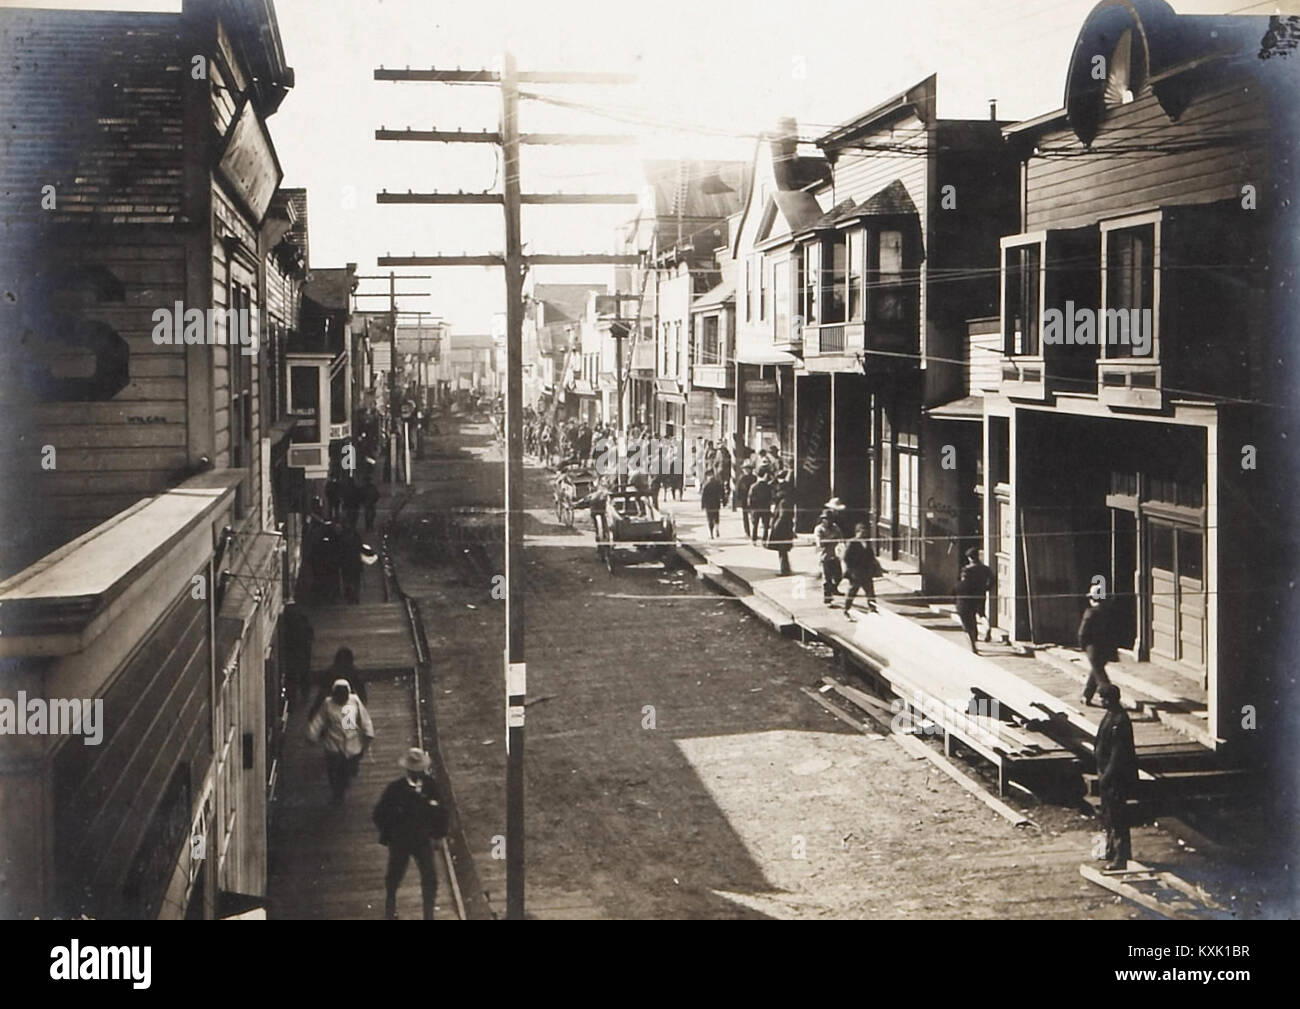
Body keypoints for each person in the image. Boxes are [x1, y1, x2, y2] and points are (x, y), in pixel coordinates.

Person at [373, 747, 450, 920]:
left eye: (420, 770)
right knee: (394, 876)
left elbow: (442, 812)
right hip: (400, 841)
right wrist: (389, 833)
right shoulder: (395, 789)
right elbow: (379, 814)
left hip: (423, 840)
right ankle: (390, 908)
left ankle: (428, 914)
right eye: (415, 770)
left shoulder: (431, 786)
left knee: (430, 878)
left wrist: (439, 835)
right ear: (407, 769)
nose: (418, 773)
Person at [307, 677, 374, 804]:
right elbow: (319, 720)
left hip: (351, 740)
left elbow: (364, 718)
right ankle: (337, 792)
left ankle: (342, 786)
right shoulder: (328, 704)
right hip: (334, 742)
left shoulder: (354, 701)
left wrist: (368, 732)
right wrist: (312, 734)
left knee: (345, 769)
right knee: (333, 769)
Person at [1094, 683, 1137, 870]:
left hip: (1116, 777)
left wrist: (1107, 776)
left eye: (1103, 699)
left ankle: (1121, 858)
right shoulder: (1110, 716)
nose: (1101, 702)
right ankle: (1111, 850)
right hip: (1106, 773)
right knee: (1109, 815)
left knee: (1118, 817)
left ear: (1110, 700)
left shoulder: (1120, 721)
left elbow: (1118, 753)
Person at [1077, 584, 1118, 706]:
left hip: (1093, 648)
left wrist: (1082, 646)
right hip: (1107, 647)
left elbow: (1082, 633)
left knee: (1100, 676)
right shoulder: (1109, 612)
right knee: (1096, 671)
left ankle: (1108, 697)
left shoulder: (1090, 613)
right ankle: (1086, 695)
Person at [955, 547, 994, 653]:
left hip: (969, 597)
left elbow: (963, 584)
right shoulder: (985, 568)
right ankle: (987, 627)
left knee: (969, 621)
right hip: (980, 594)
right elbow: (992, 580)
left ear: (970, 558)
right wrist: (986, 588)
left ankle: (973, 645)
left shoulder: (967, 570)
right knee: (981, 614)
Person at [842, 523, 881, 617]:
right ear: (857, 532)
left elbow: (871, 556)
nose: (863, 534)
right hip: (856, 572)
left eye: (865, 532)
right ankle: (846, 609)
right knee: (852, 592)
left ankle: (873, 609)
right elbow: (846, 558)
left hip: (866, 571)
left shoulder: (867, 543)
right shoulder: (852, 542)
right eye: (861, 532)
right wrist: (851, 571)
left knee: (870, 592)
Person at [814, 509, 844, 604]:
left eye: (830, 519)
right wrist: (831, 538)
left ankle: (834, 589)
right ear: (823, 520)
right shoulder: (819, 529)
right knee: (827, 578)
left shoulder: (835, 527)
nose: (829, 521)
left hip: (835, 556)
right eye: (826, 519)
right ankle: (827, 597)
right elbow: (820, 543)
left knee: (839, 575)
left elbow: (841, 538)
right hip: (825, 557)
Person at [767, 478, 796, 576]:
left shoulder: (783, 502)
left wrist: (775, 527)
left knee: (782, 550)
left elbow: (783, 516)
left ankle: (785, 570)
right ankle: (785, 569)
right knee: (783, 551)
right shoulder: (786, 500)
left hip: (782, 530)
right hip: (786, 529)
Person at [747, 470, 773, 545]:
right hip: (765, 508)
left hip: (756, 509)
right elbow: (771, 497)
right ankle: (764, 540)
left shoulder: (753, 486)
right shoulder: (768, 487)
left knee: (755, 525)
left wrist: (751, 508)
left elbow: (750, 498)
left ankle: (754, 539)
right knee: (765, 525)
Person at [734, 460, 756, 535]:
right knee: (745, 516)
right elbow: (738, 489)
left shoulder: (754, 478)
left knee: (754, 515)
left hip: (753, 499)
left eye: (748, 469)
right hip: (744, 499)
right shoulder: (741, 478)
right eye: (745, 469)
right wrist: (738, 499)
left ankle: (753, 529)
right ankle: (747, 531)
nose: (746, 470)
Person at [700, 471, 725, 539]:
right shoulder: (718, 483)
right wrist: (723, 502)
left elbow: (703, 496)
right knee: (716, 517)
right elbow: (722, 493)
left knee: (710, 519)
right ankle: (717, 529)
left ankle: (711, 534)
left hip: (709, 505)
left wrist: (702, 505)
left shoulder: (706, 485)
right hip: (716, 503)